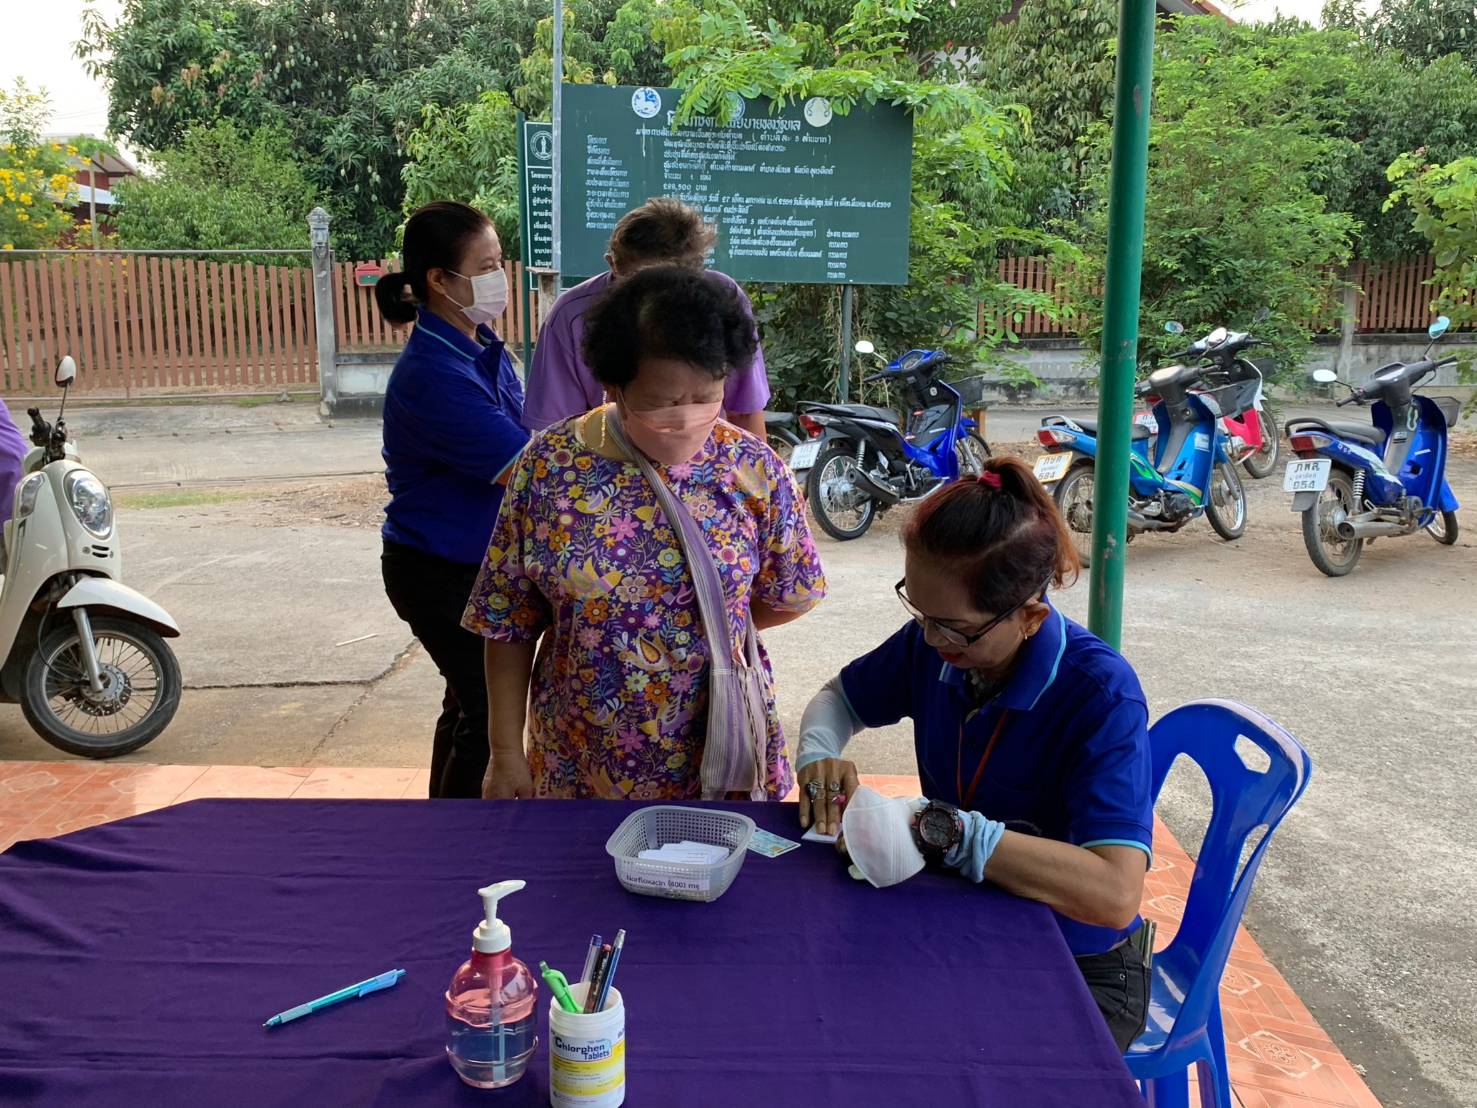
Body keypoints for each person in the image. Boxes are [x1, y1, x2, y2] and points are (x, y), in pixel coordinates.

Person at [794, 458, 1153, 1051]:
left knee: (941, 1062)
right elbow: (839, 699)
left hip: (1078, 962)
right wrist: (817, 753)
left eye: (953, 628)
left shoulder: (1099, 695)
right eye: (919, 613)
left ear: (1031, 617)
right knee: (830, 1012)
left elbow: (1114, 895)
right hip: (966, 914)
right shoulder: (937, 644)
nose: (932, 639)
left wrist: (950, 832)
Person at [463, 265, 825, 802]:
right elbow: (507, 621)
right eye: (663, 401)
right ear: (613, 385)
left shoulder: (753, 469)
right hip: (579, 759)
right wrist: (505, 753)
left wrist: (706, 620)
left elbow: (791, 593)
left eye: (706, 396)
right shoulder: (549, 467)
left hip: (717, 752)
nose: (687, 417)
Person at [376, 201, 530, 799]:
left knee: (466, 702)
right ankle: (465, 837)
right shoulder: (433, 373)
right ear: (440, 279)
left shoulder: (480, 344)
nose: (500, 279)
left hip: (470, 564)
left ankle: (441, 826)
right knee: (490, 716)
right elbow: (524, 466)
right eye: (486, 267)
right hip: (439, 570)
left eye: (500, 263)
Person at [521, 198, 771, 439]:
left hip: (711, 458)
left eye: (674, 285)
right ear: (614, 265)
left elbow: (746, 411)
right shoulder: (571, 317)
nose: (659, 303)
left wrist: (756, 467)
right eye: (641, 287)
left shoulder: (723, 300)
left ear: (698, 268)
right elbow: (558, 433)